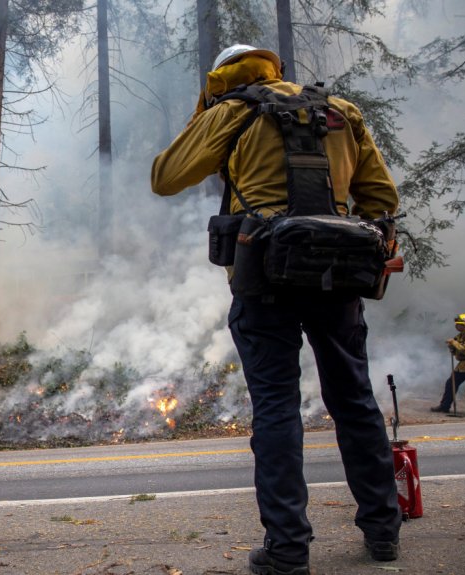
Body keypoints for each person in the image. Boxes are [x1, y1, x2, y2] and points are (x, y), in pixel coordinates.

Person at [151, 44, 402, 574]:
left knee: (276, 411)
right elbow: (380, 198)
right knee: (354, 399)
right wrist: (355, 238)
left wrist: (206, 109)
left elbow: (165, 177)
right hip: (338, 279)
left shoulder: (232, 111)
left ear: (223, 75)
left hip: (262, 279)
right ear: (275, 69)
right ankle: (383, 531)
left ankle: (288, 551)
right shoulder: (341, 111)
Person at [431, 313, 465, 417]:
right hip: (462, 367)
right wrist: (452, 349)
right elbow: (457, 352)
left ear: (464, 325)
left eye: (458, 324)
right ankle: (444, 406)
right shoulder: (459, 336)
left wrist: (453, 343)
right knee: (450, 384)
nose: (456, 325)